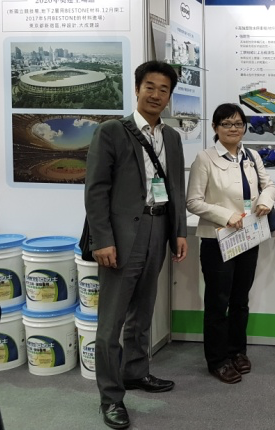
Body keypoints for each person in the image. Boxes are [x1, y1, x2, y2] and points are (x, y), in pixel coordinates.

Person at [85, 60, 188, 430]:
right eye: (150, 87)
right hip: (122, 235)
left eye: (164, 90)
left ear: (170, 96)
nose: (156, 95)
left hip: (158, 228)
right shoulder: (112, 131)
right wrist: (102, 240)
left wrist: (179, 232)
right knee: (110, 322)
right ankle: (111, 397)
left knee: (143, 311)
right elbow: (96, 190)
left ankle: (135, 371)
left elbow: (175, 188)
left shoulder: (172, 137)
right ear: (137, 88)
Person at [186, 103, 275, 384]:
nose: (233, 128)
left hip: (248, 237)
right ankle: (217, 360)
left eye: (238, 123)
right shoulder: (205, 158)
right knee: (218, 302)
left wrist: (265, 200)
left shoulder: (251, 155)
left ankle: (237, 350)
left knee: (240, 300)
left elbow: (269, 185)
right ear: (215, 127)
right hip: (218, 240)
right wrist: (225, 216)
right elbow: (193, 201)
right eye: (226, 123)